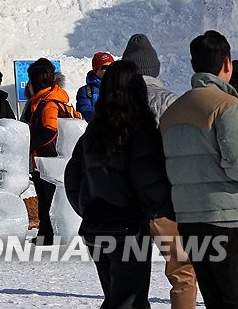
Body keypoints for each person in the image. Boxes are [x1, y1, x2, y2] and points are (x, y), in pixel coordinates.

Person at [65, 59, 172, 309]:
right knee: (130, 300)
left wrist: (87, 209)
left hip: (95, 225)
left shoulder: (92, 131)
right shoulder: (139, 129)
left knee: (114, 297)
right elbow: (149, 181)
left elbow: (73, 176)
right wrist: (164, 206)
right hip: (129, 227)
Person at [161, 31, 238, 309]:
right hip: (230, 220)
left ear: (193, 65)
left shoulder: (173, 111)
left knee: (215, 299)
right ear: (227, 64)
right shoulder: (228, 106)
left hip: (189, 221)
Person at [122, 33, 197, 309]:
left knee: (128, 280)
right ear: (156, 69)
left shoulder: (114, 103)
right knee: (182, 272)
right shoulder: (170, 101)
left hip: (124, 202)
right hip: (165, 201)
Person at [21, 58, 74, 245]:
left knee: (48, 201)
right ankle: (46, 234)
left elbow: (49, 129)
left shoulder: (49, 102)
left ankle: (48, 236)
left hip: (48, 159)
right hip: (50, 159)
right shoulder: (50, 98)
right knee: (48, 201)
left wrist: (30, 145)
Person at [76, 52, 113, 123]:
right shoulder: (86, 91)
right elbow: (85, 112)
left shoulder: (121, 88)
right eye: (104, 67)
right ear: (95, 71)